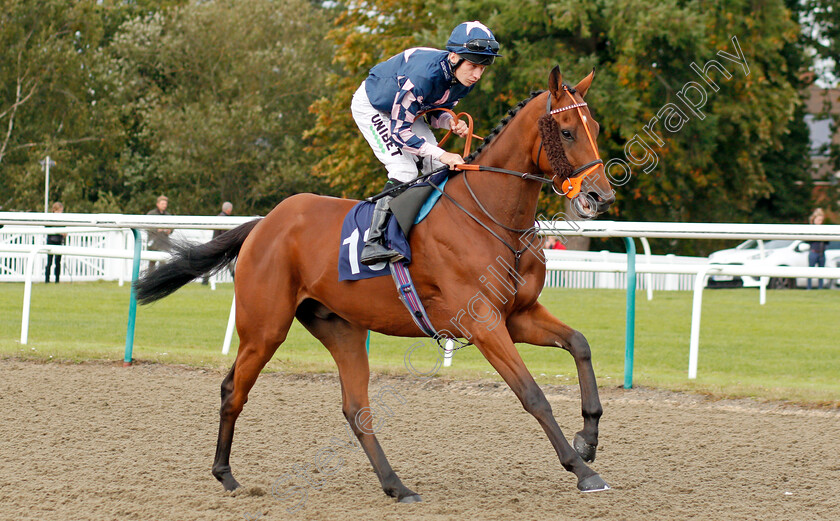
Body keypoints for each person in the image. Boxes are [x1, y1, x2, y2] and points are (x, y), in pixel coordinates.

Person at [351, 21, 502, 265]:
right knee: (405, 169)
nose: (477, 75)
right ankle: (373, 242)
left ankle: (435, 235)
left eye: (483, 68)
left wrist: (449, 122)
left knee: (437, 168)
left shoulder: (462, 80)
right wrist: (444, 154)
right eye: (473, 66)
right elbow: (399, 132)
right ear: (454, 57)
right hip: (375, 108)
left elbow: (432, 113)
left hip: (406, 111)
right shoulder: (423, 76)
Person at [203, 201, 234, 284]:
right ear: (229, 209)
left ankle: (205, 280)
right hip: (222, 244)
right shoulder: (225, 218)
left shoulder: (218, 217)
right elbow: (224, 232)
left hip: (215, 242)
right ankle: (235, 279)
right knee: (230, 262)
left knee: (210, 263)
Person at [146, 195, 173, 271]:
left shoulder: (168, 215)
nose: (164, 206)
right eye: (162, 204)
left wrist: (170, 230)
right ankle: (150, 280)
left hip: (164, 243)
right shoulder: (151, 214)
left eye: (165, 204)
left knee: (163, 263)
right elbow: (147, 226)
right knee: (152, 263)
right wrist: (157, 229)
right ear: (157, 204)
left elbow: (172, 226)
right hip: (153, 242)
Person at [45, 201, 65, 283]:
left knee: (58, 262)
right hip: (51, 241)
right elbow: (48, 228)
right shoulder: (50, 219)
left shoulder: (62, 220)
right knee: (49, 262)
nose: (60, 213)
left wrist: (64, 234)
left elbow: (65, 230)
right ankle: (47, 280)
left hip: (59, 241)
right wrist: (59, 232)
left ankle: (57, 280)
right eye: (59, 211)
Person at [807, 208, 827, 290]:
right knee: (810, 272)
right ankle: (809, 288)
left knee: (821, 272)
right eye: (818, 220)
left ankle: (820, 288)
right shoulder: (811, 229)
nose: (820, 222)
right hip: (813, 252)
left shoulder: (824, 229)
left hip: (822, 252)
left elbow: (827, 241)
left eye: (821, 220)